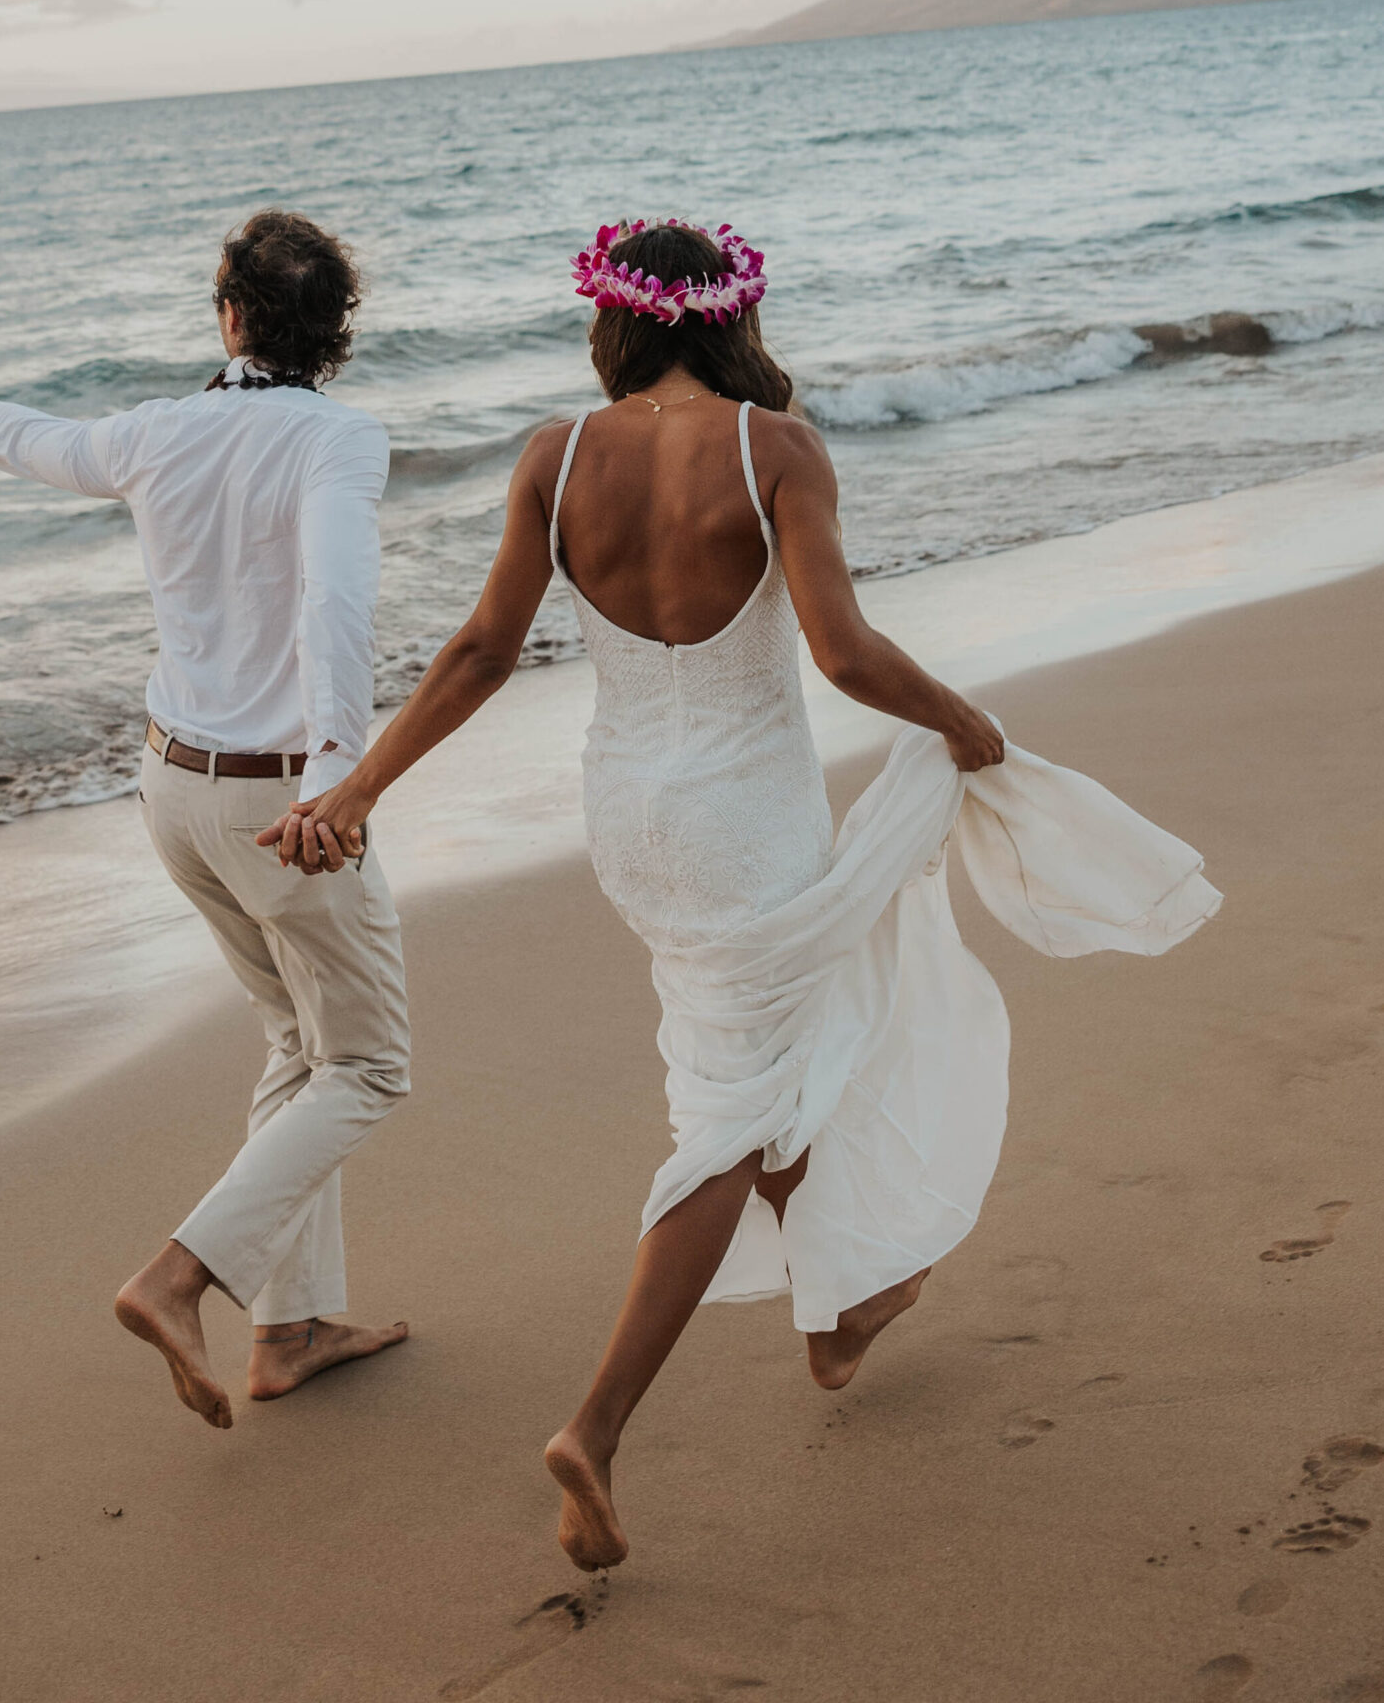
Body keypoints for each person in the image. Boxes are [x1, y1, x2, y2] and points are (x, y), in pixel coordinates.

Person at [269, 217, 1217, 1567]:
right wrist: (966, 723)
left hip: (629, 824)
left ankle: (840, 1313)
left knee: (763, 1068)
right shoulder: (775, 448)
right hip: (746, 825)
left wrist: (358, 790)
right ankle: (593, 1427)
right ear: (731, 317)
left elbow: (483, 649)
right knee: (729, 1109)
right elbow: (839, 651)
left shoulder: (556, 456)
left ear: (612, 318)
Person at [0, 208, 410, 1430]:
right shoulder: (338, 440)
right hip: (279, 798)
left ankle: (287, 1328)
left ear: (227, 316)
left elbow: (31, 440)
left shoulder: (154, 433)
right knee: (370, 1061)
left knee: (295, 1036)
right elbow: (335, 603)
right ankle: (181, 1278)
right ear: (334, 332)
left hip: (171, 789)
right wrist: (339, 778)